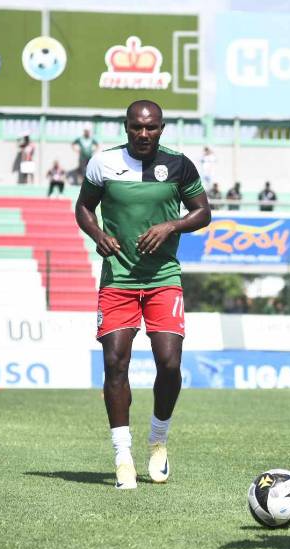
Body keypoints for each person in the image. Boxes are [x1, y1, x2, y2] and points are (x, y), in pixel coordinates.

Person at [74, 100, 211, 490]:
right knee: (115, 364)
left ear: (162, 129)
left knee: (169, 363)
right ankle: (123, 457)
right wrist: (98, 235)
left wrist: (171, 226)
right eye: (137, 127)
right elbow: (83, 208)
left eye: (151, 128)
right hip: (118, 279)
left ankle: (158, 440)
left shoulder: (179, 165)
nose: (144, 134)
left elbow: (203, 212)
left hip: (163, 277)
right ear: (126, 127)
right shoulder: (103, 163)